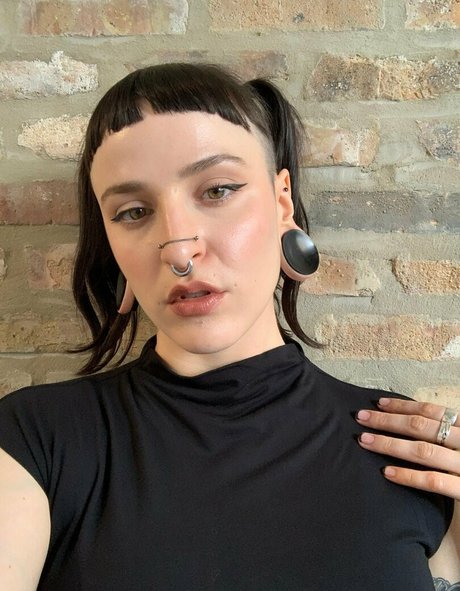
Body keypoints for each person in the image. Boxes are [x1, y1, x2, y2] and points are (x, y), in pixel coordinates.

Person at [0, 63, 458, 591]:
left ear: (282, 202)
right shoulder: (34, 443)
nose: (179, 252)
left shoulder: (409, 451)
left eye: (217, 190)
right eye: (133, 212)